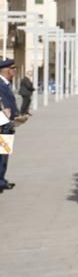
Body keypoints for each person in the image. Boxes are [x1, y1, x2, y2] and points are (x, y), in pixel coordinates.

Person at [0, 58, 17, 191]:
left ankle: (2, 179)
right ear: (7, 71)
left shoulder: (5, 84)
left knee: (4, 154)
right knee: (1, 155)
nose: (15, 71)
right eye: (13, 69)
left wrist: (17, 116)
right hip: (1, 125)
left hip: (6, 124)